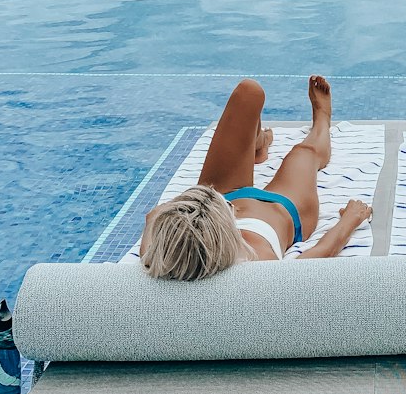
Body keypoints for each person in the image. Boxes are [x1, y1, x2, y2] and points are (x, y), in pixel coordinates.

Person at [140, 75, 371, 280]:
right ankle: (322, 120)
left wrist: (181, 213)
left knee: (249, 91)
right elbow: (320, 254)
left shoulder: (163, 257)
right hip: (283, 209)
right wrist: (350, 220)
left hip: (216, 202)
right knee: (304, 154)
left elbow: (153, 216)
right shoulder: (256, 270)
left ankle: (258, 143)